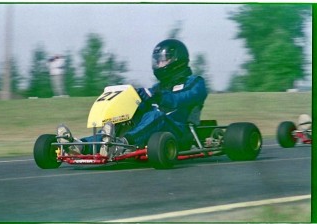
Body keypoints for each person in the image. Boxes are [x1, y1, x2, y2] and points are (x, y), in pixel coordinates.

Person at [57, 39, 208, 157]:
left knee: (156, 114)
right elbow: (147, 103)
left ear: (177, 59)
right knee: (126, 117)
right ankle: (81, 145)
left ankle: (121, 145)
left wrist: (157, 96)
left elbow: (182, 99)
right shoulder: (159, 87)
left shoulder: (196, 82)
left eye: (164, 60)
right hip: (156, 131)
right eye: (158, 60)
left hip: (179, 131)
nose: (160, 64)